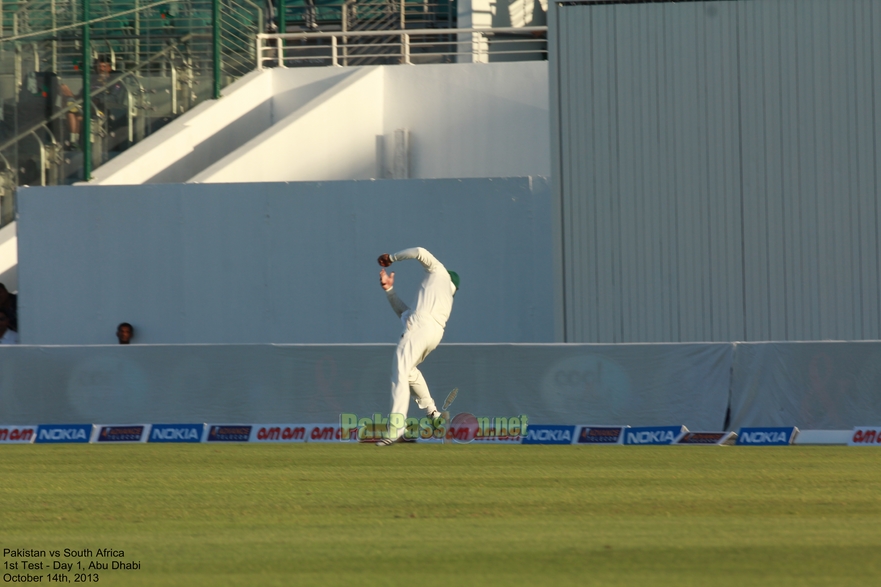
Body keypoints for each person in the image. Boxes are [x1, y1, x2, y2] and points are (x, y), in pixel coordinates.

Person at [376, 247, 460, 446]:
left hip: (421, 326)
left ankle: (396, 429)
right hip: (434, 333)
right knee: (409, 371)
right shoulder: (442, 299)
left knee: (400, 372)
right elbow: (407, 316)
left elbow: (420, 251)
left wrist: (392, 258)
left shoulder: (439, 271)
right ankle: (433, 413)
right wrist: (390, 291)